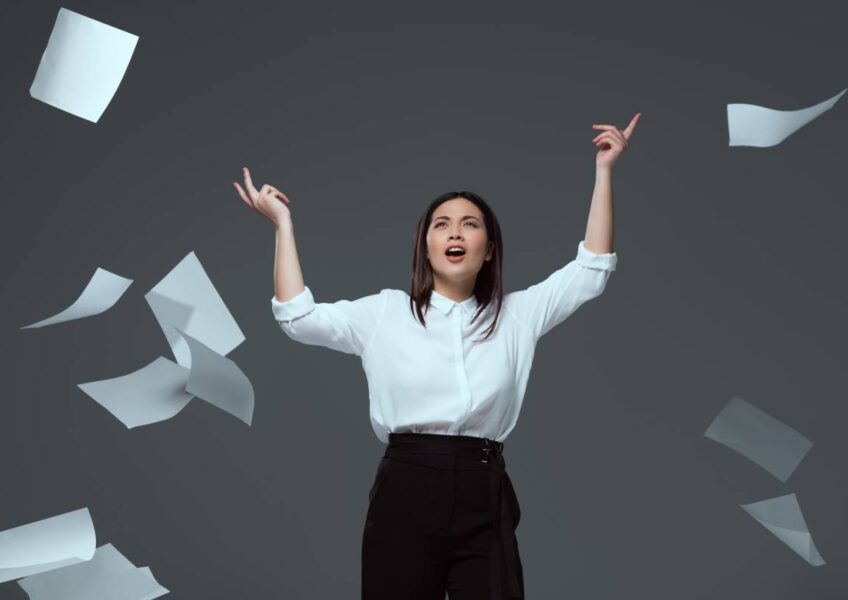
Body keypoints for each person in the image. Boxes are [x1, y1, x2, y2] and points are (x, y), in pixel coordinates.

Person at [233, 112, 641, 599]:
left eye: (469, 225)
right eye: (442, 225)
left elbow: (591, 271)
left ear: (488, 249)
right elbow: (298, 317)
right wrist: (283, 225)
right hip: (407, 485)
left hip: (484, 486)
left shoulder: (519, 315)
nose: (454, 233)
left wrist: (604, 172)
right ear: (425, 246)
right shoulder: (385, 312)